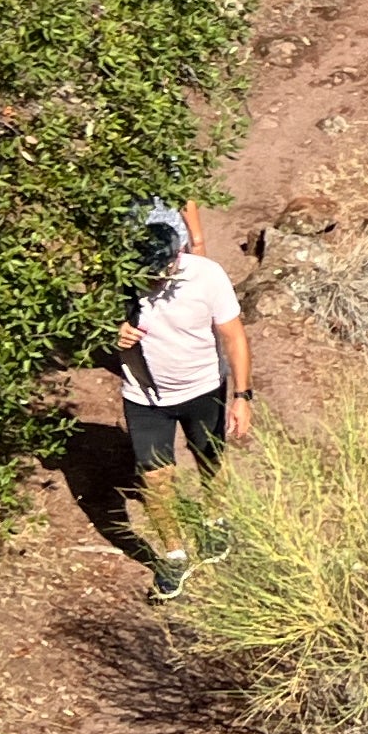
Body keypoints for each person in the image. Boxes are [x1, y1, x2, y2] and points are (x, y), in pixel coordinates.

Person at [117, 200, 251, 598]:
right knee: (155, 477)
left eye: (162, 274)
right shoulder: (122, 280)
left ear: (178, 256)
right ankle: (173, 554)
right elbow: (96, 322)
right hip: (145, 396)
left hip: (204, 387)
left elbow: (234, 337)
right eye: (148, 276)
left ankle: (214, 519)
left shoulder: (207, 276)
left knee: (210, 459)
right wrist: (115, 334)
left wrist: (242, 396)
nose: (156, 283)